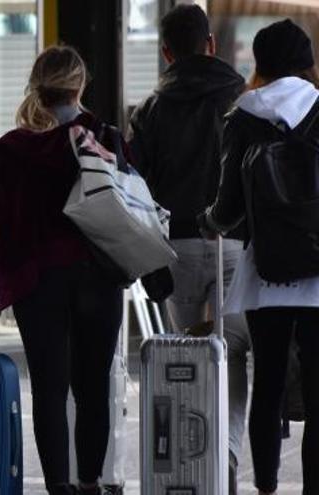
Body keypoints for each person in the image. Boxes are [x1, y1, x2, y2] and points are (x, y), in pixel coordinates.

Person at [0, 46, 123, 495]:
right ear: (80, 85)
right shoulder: (102, 136)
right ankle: (90, 483)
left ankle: (59, 485)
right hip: (97, 275)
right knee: (92, 387)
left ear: (38, 88)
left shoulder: (12, 149)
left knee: (48, 388)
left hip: (36, 280)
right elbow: (130, 201)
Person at [126, 5, 250, 491]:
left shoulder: (150, 110)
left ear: (166, 52)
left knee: (189, 354)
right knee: (232, 353)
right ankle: (228, 452)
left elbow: (139, 186)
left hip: (174, 246)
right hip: (233, 244)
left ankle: (190, 458)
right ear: (212, 45)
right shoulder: (243, 99)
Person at [198, 19, 319, 495]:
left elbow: (227, 208)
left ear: (261, 64)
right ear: (307, 62)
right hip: (318, 269)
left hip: (264, 272)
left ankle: (266, 485)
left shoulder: (243, 115)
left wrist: (208, 222)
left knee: (267, 381)